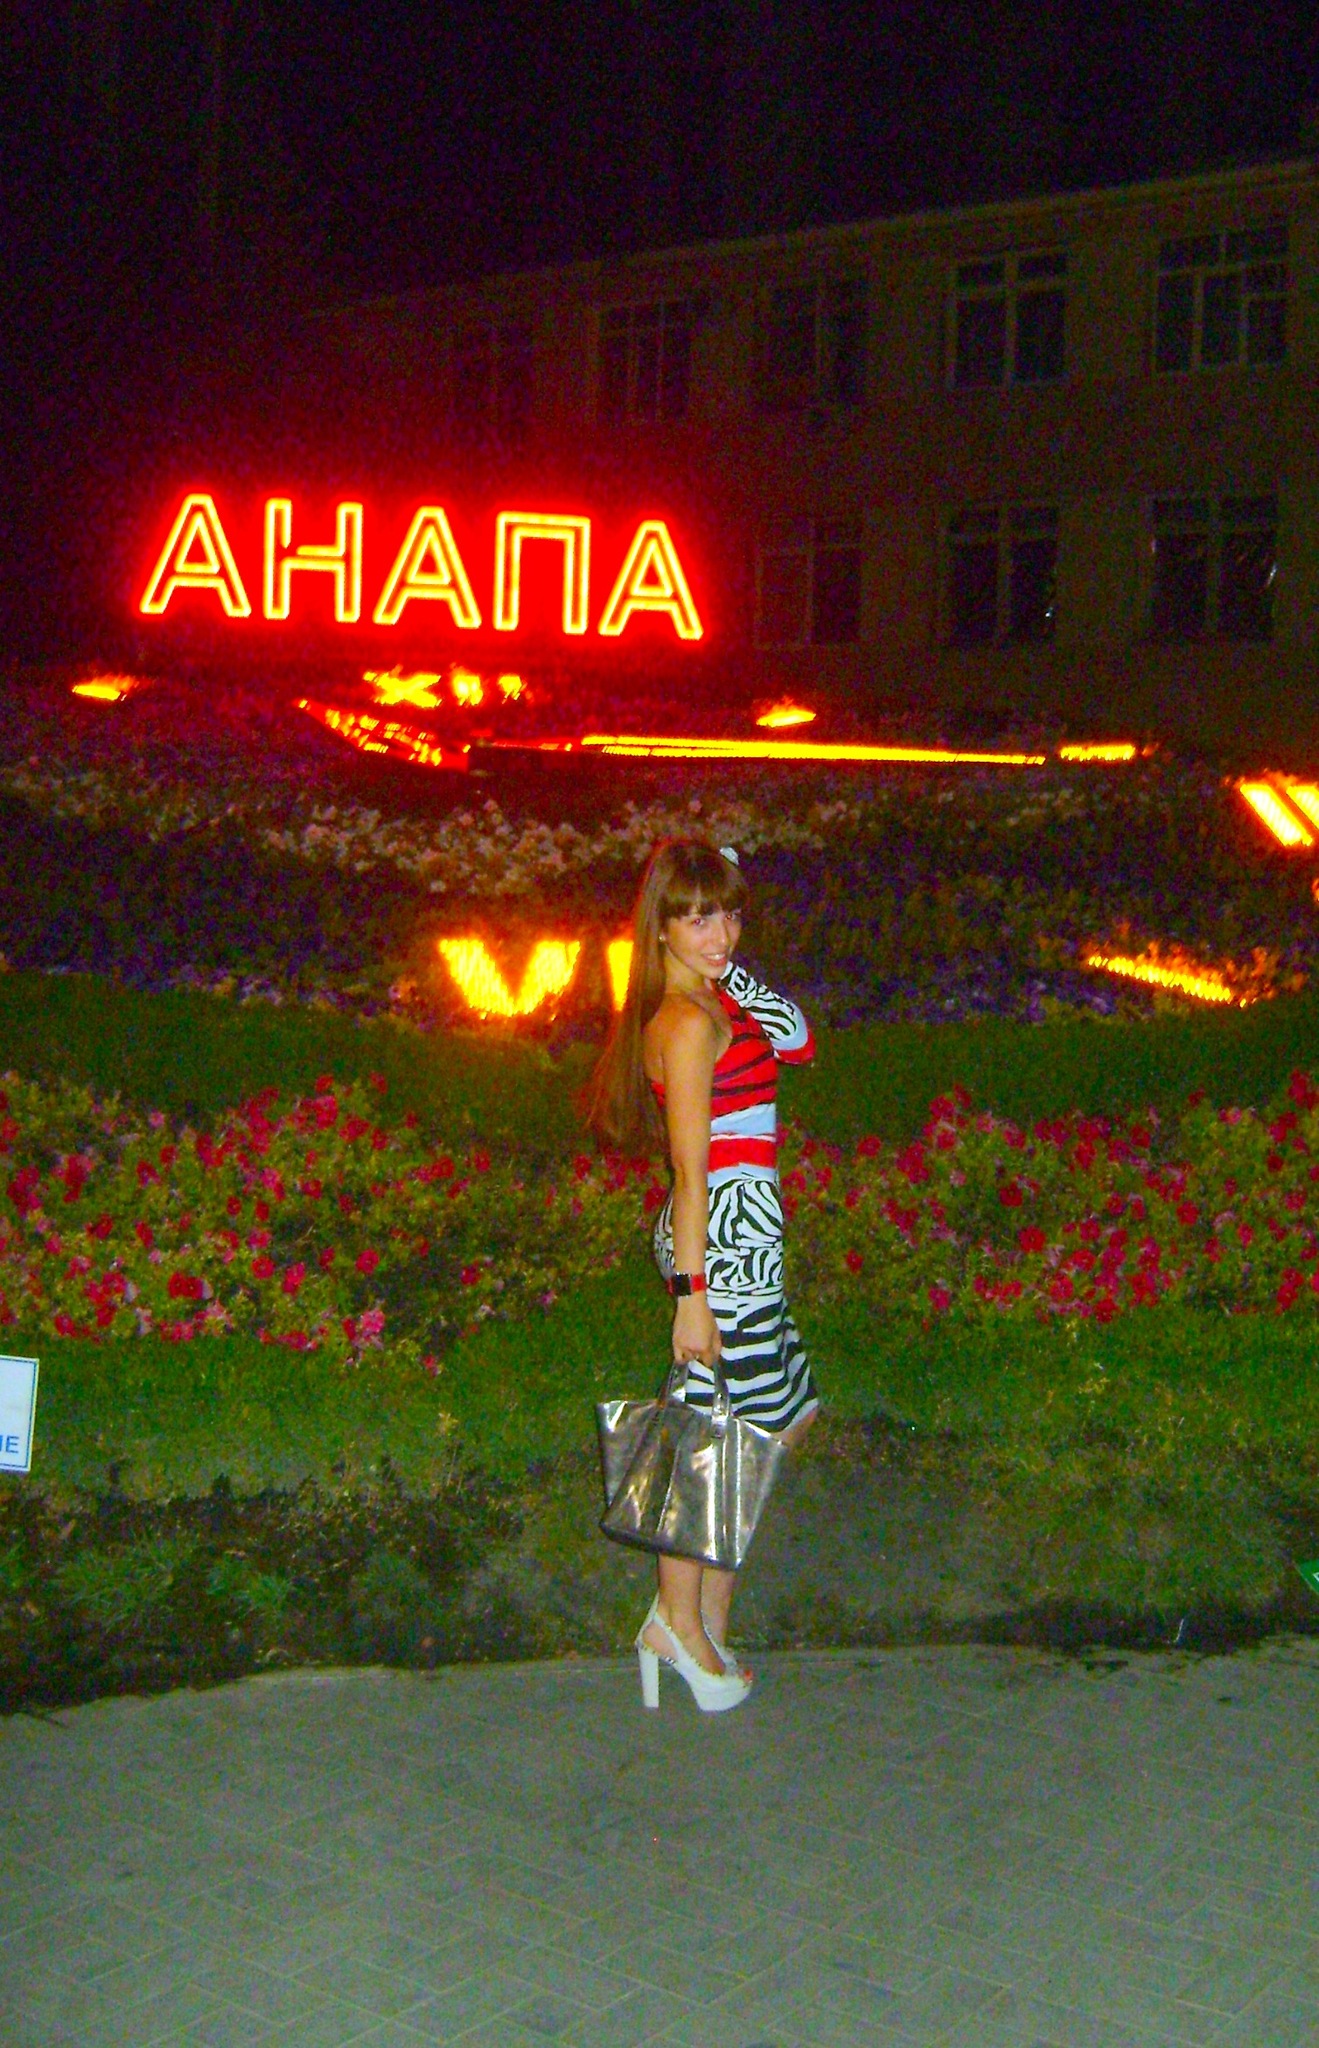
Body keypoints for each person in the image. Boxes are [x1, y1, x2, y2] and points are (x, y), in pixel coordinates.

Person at [588, 838, 818, 1711]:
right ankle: (678, 1627)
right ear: (660, 928)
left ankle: (701, 1618)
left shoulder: (718, 995)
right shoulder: (685, 1024)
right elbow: (691, 1172)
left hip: (747, 1241)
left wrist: (727, 967)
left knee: (775, 1421)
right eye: (695, 918)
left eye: (727, 913)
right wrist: (691, 1300)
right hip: (719, 1246)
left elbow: (799, 1043)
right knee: (712, 1448)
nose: (719, 934)